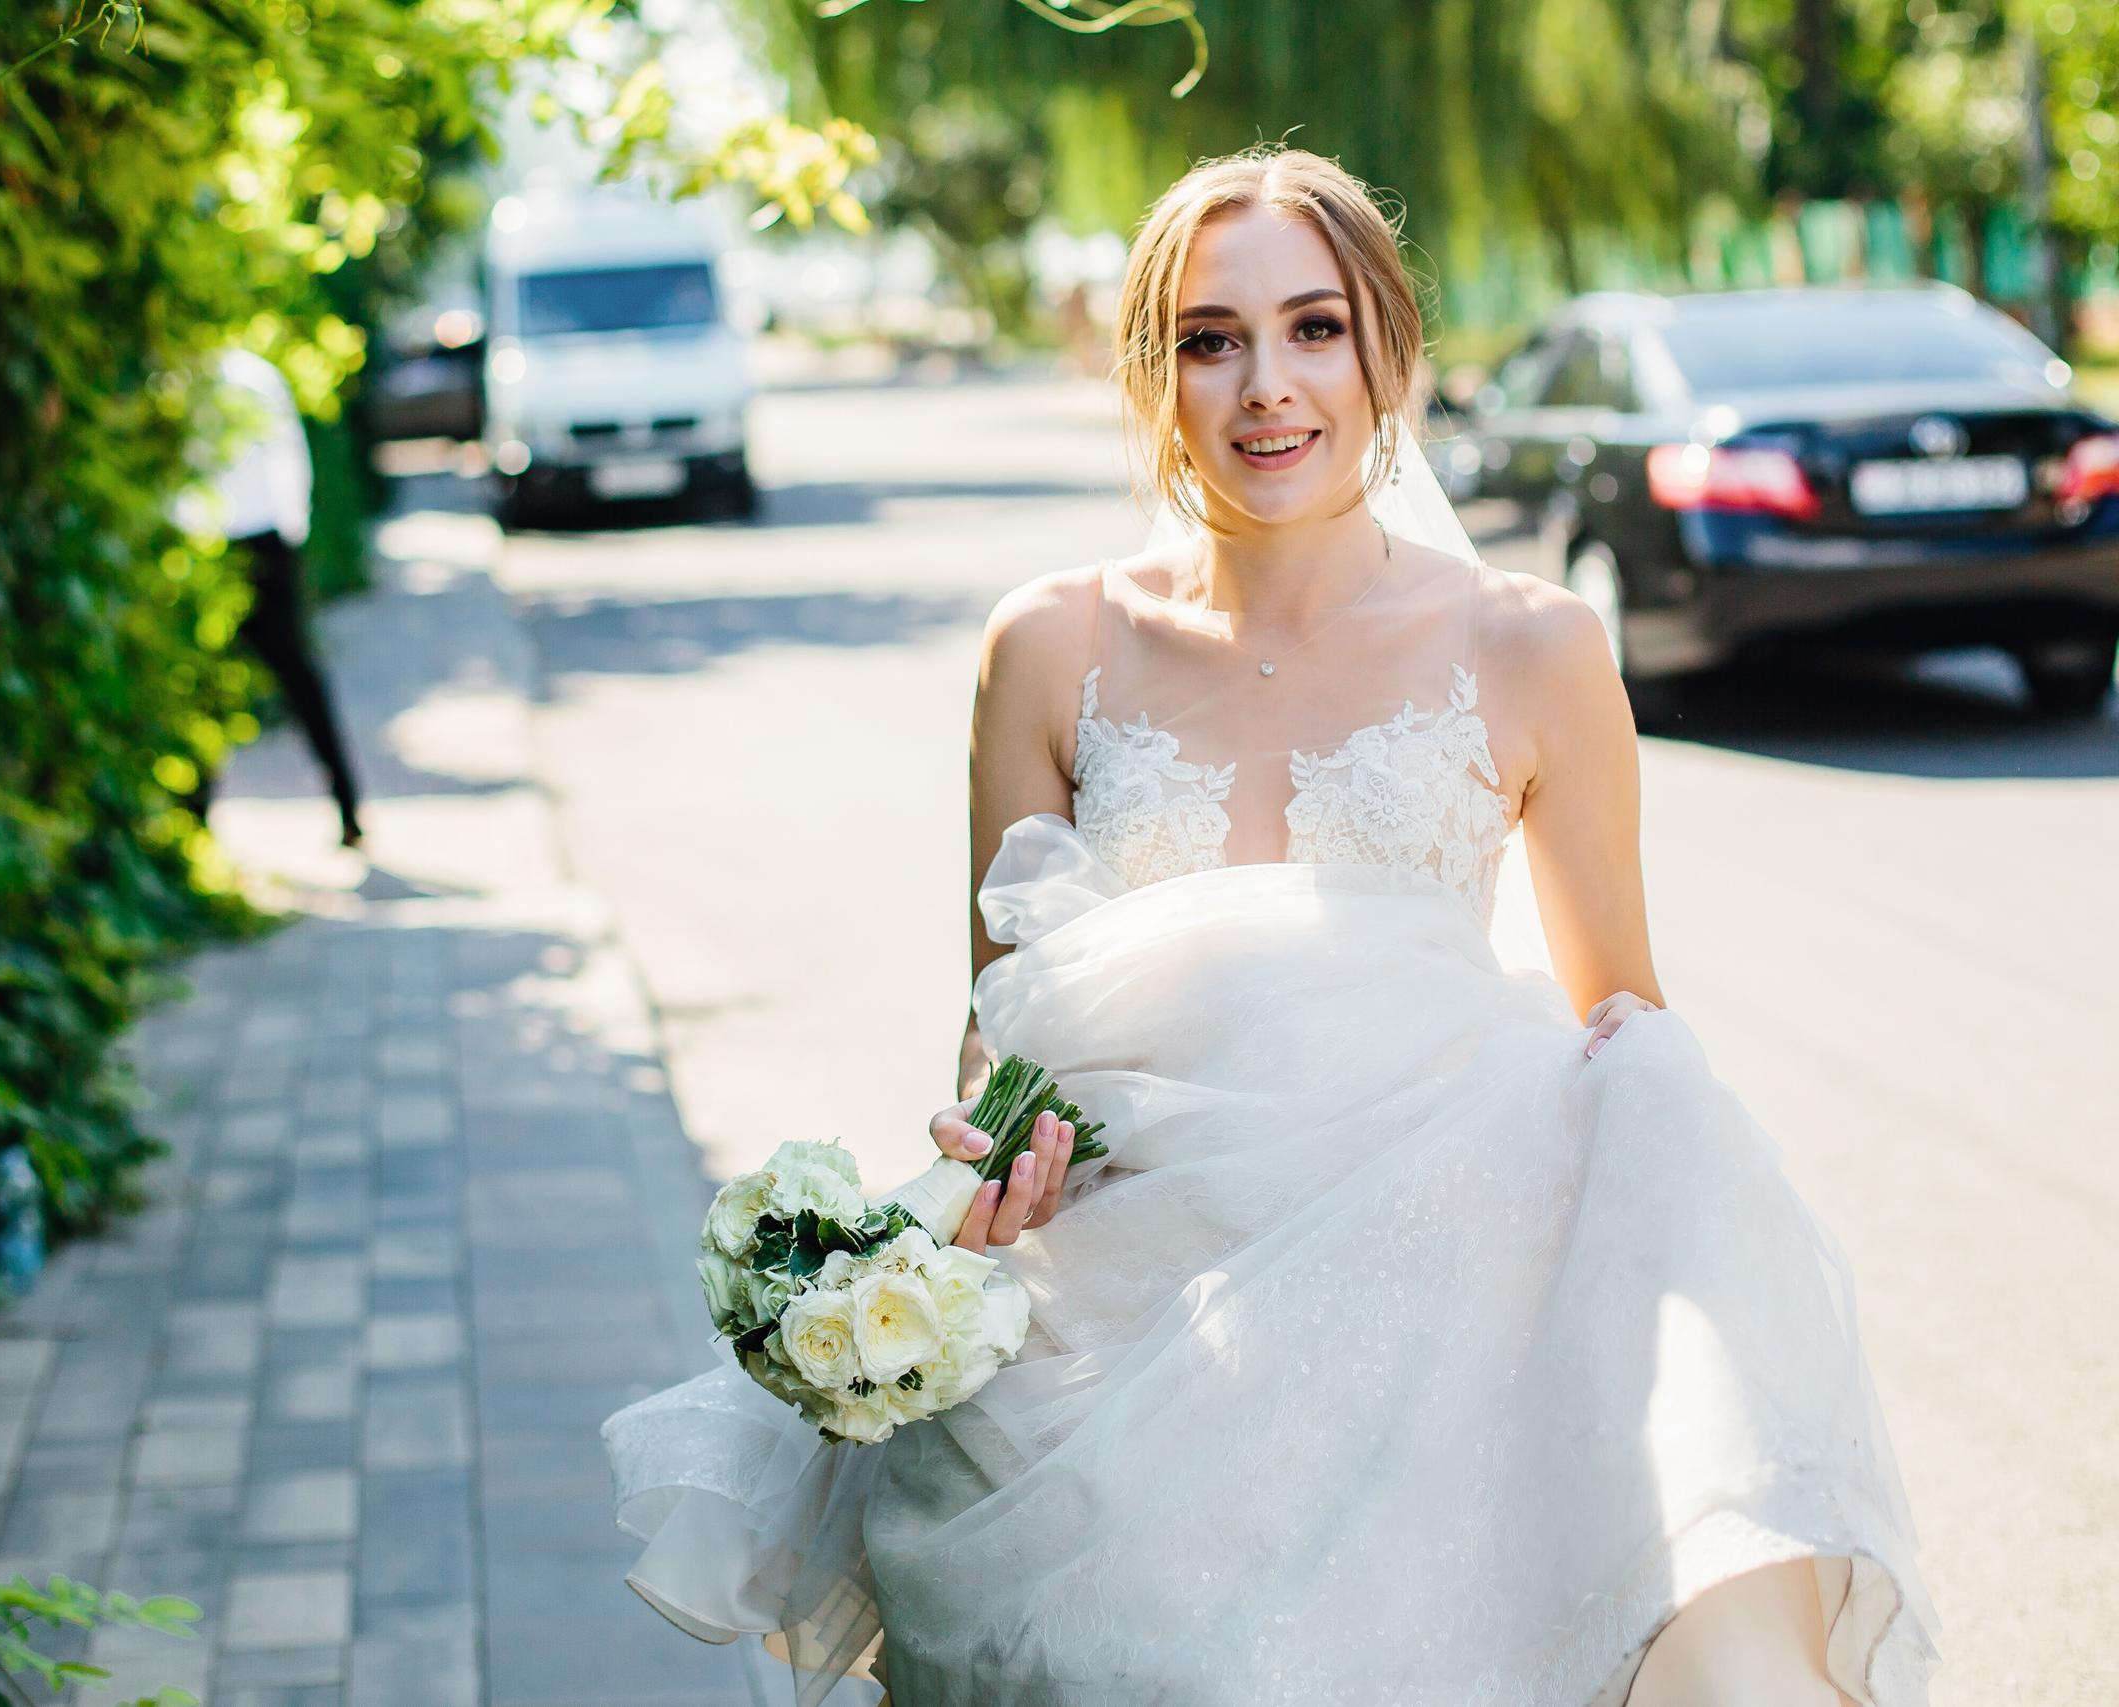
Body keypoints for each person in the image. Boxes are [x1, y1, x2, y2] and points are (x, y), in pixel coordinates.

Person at [602, 146, 1938, 1706]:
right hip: (1121, 1342)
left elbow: (1618, 1024)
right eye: (1210, 338)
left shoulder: (1532, 646)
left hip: (1430, 1332)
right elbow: (1002, 1026)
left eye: (1314, 327)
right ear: (1152, 373)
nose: (1266, 389)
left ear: (1392, 348)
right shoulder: (1050, 645)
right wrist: (993, 1159)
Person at [183, 348, 365, 849]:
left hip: (234, 541)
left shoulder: (236, 376)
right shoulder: (217, 376)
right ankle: (194, 817)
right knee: (231, 682)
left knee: (249, 679)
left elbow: (284, 456)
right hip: (239, 540)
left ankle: (345, 805)